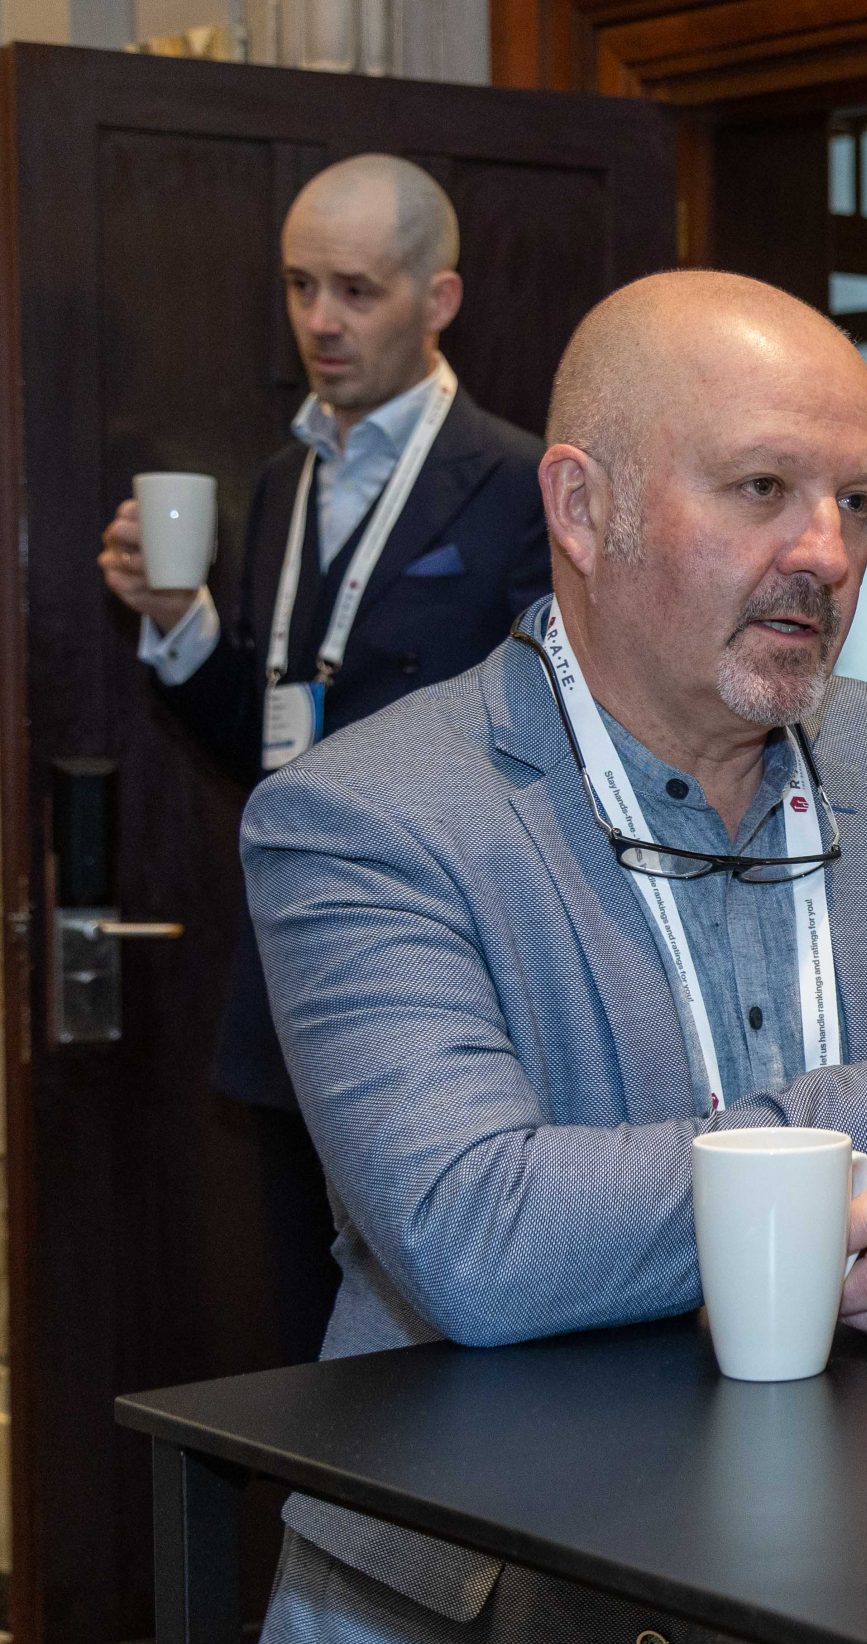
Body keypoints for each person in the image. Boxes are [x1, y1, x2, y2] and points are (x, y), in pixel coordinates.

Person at [237, 270, 867, 1644]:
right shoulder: (368, 814)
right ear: (582, 508)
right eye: (762, 488)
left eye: (857, 502)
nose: (826, 552)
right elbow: (478, 1232)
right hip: (494, 1633)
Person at [96, 153, 551, 1363]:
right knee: (314, 1349)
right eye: (300, 287)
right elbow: (272, 746)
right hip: (297, 974)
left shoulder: (521, 482)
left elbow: (546, 739)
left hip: (458, 977)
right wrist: (181, 625)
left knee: (459, 1347)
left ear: (439, 300)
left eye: (356, 290)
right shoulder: (282, 477)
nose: (320, 321)